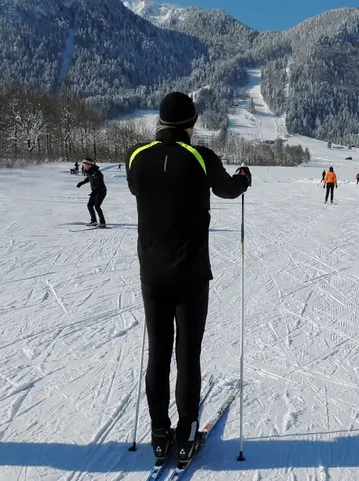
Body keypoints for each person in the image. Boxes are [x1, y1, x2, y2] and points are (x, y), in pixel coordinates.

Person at [125, 92, 251, 464]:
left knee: (158, 354)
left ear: (160, 120)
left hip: (152, 272)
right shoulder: (201, 156)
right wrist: (243, 176)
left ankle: (160, 434)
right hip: (191, 275)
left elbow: (137, 187)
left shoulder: (136, 156)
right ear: (191, 123)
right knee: (187, 353)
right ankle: (187, 433)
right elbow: (228, 189)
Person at [76, 158, 107, 227]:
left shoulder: (97, 172)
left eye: (84, 164)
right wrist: (81, 183)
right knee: (89, 205)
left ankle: (102, 222)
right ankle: (94, 221)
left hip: (101, 191)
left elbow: (99, 183)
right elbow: (88, 178)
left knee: (97, 206)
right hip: (95, 191)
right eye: (83, 164)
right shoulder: (89, 171)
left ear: (89, 165)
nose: (83, 165)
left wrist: (94, 191)